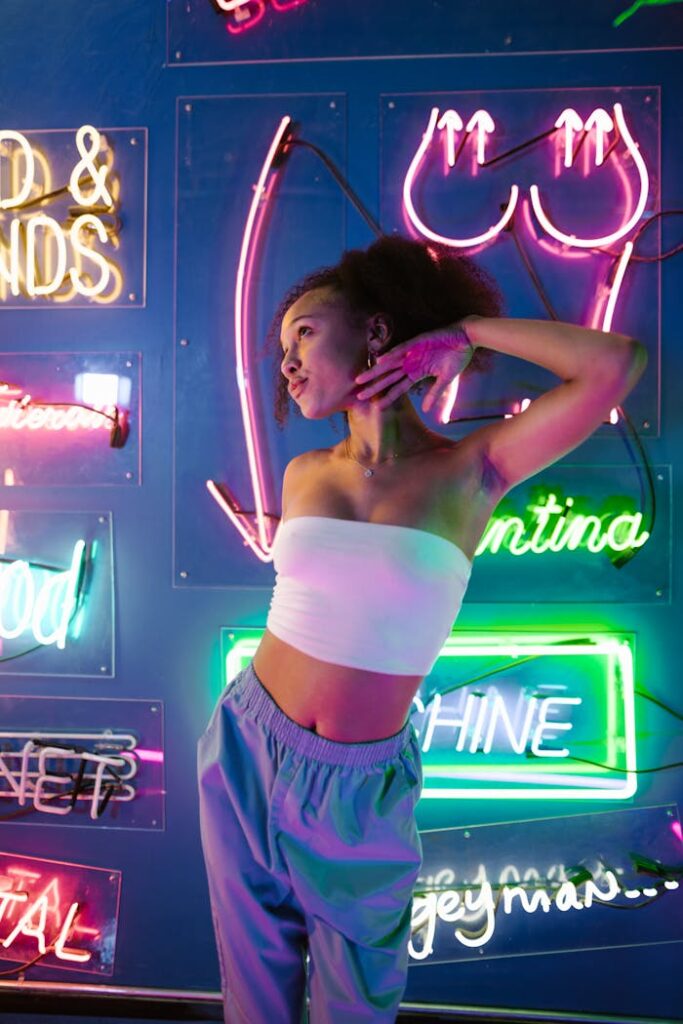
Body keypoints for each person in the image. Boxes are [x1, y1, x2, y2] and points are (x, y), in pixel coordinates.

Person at [197, 236, 647, 1023]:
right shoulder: (306, 474)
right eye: (281, 352)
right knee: (254, 1001)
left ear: (375, 330)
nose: (288, 364)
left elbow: (616, 365)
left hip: (360, 784)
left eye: (303, 332)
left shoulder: (474, 469)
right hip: (244, 743)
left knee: (355, 1007)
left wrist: (464, 332)